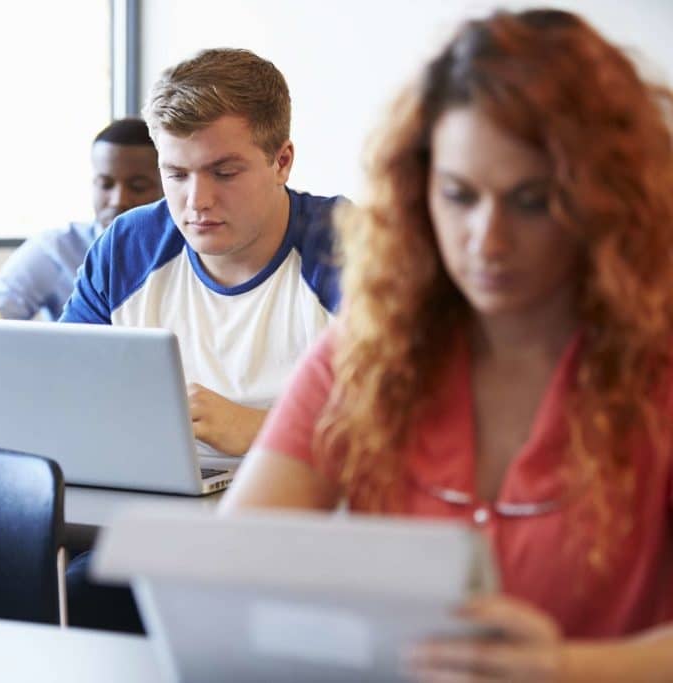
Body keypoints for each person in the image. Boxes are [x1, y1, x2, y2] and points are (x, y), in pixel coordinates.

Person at [223, 9, 673, 680]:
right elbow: (230, 570)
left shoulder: (657, 362)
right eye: (459, 196)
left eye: (532, 201)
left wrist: (567, 668)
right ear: (417, 192)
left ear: (607, 201)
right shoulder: (373, 348)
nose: (487, 242)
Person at [61, 48, 345, 457]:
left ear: (282, 162)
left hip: (313, 503)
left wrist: (265, 431)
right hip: (150, 493)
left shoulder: (351, 248)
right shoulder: (127, 246)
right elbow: (65, 390)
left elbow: (415, 427)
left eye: (224, 173)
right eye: (176, 175)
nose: (197, 201)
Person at [0, 118, 162, 320]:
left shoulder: (186, 251)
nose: (119, 200)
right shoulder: (55, 249)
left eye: (138, 187)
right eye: (105, 185)